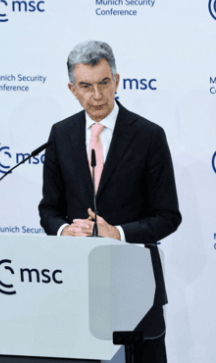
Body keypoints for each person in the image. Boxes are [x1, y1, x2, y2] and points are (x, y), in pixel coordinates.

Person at [38, 40, 181, 363]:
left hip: (136, 286)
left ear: (116, 80)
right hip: (76, 282)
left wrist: (118, 233)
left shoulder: (148, 136)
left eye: (104, 83)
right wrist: (64, 231)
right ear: (72, 89)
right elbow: (49, 209)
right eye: (86, 86)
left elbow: (168, 215)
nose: (97, 95)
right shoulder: (61, 134)